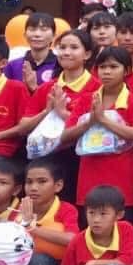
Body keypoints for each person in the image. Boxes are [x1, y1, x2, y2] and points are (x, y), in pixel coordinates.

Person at [60, 45, 133, 211]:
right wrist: (90, 122)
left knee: (119, 219)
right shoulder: (86, 99)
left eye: (113, 67)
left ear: (127, 71)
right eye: (102, 67)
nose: (107, 72)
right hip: (89, 174)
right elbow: (65, 136)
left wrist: (103, 120)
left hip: (120, 175)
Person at [23, 28, 100, 192]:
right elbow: (24, 125)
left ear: (87, 54)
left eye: (74, 47)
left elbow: (98, 125)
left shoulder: (98, 88)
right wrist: (46, 111)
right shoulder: (46, 87)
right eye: (62, 47)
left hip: (84, 159)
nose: (66, 52)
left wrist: (62, 113)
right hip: (46, 159)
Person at [3, 11, 58, 91]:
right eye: (32, 29)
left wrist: (34, 88)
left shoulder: (61, 65)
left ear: (53, 36)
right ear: (25, 35)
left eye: (44, 30)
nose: (37, 34)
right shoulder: (12, 65)